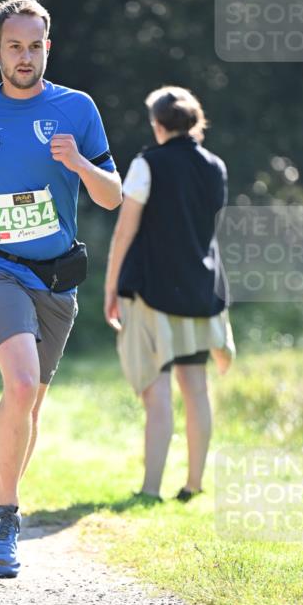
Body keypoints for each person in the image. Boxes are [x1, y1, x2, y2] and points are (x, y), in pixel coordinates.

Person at [0, 0, 121, 579]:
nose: (25, 55)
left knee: (30, 401)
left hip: (56, 277)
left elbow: (112, 194)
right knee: (19, 382)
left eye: (35, 45)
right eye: (14, 46)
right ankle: (9, 518)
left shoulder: (76, 109)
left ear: (47, 47)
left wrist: (81, 166)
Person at [104, 86, 235, 501]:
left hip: (151, 291)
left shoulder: (147, 164)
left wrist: (110, 287)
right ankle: (194, 485)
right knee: (196, 388)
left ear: (157, 124)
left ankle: (149, 489)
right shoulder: (215, 166)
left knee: (156, 390)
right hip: (200, 289)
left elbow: (126, 231)